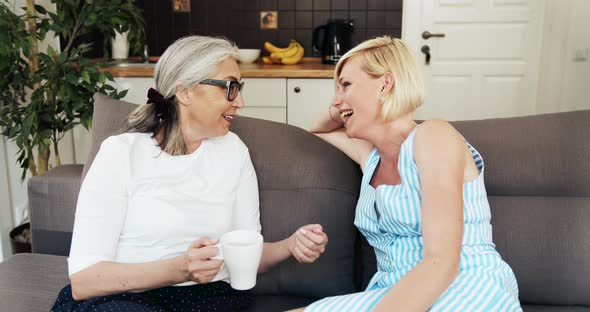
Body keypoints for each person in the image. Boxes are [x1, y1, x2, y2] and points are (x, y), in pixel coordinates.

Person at [52, 36, 328, 312]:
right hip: (122, 298)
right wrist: (180, 269)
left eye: (239, 88)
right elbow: (84, 280)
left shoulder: (233, 152)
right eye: (230, 88)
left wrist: (290, 245)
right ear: (185, 92)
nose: (240, 102)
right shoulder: (121, 153)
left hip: (210, 299)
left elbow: (244, 254)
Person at [292, 36, 521, 311]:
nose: (336, 98)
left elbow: (442, 262)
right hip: (396, 290)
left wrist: (346, 105)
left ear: (385, 84)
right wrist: (343, 105)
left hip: (464, 285)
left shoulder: (434, 136)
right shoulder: (371, 158)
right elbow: (318, 130)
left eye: (346, 85)